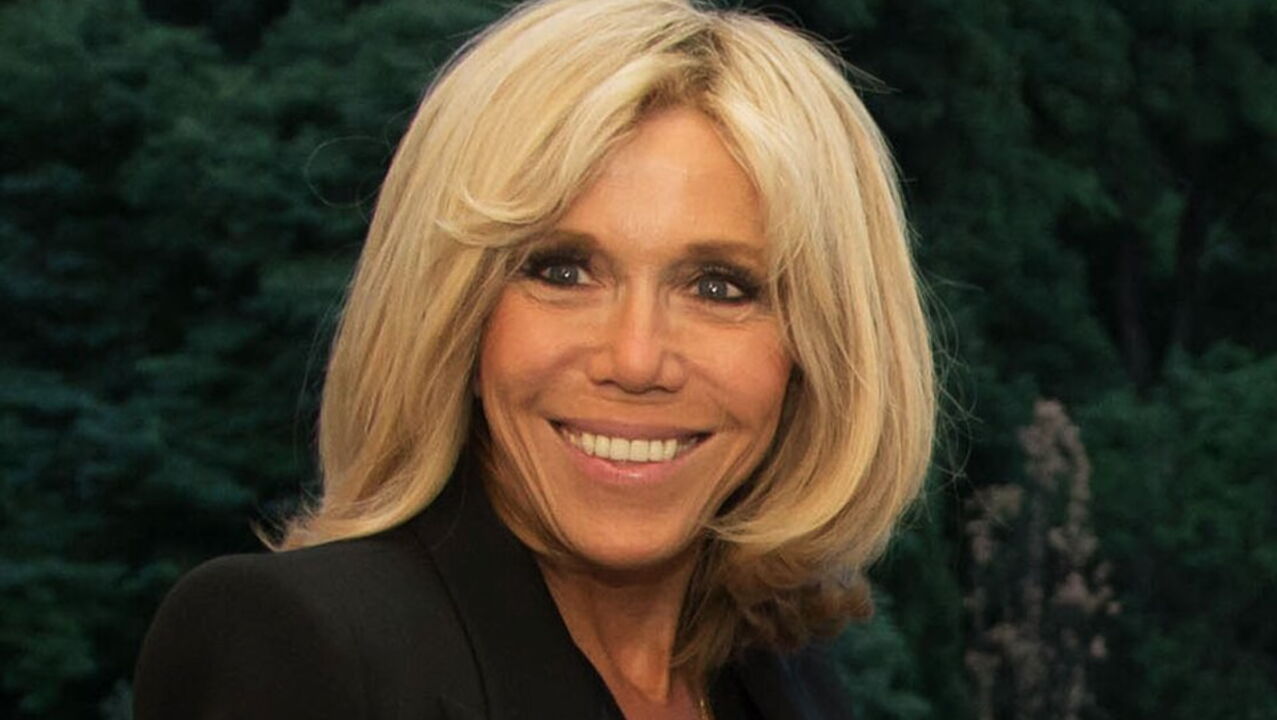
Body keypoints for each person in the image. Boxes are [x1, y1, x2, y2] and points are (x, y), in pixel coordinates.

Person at [132, 0, 935, 718]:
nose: (635, 358)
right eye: (561, 272)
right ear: (453, 311)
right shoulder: (303, 650)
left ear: (821, 347)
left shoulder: (780, 676)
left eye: (718, 287)